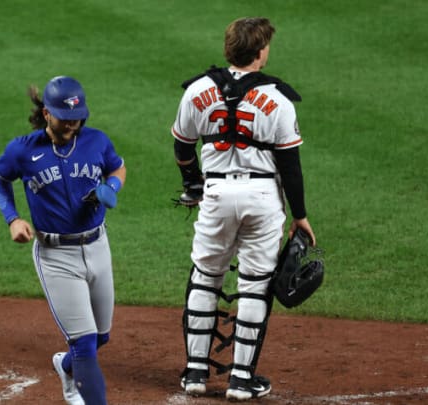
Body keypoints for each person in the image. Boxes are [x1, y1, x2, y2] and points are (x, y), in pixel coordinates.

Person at [170, 17, 316, 401]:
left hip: (216, 195)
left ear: (228, 48)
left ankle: (196, 374)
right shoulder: (278, 99)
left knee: (205, 276)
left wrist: (193, 184)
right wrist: (299, 214)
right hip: (262, 199)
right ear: (261, 52)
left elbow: (183, 147)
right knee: (255, 284)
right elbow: (290, 165)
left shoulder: (197, 90)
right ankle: (240, 379)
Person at [0, 76, 126, 405]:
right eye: (64, 119)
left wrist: (112, 188)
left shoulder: (96, 141)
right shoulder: (22, 150)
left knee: (102, 336)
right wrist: (13, 218)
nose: (71, 125)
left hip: (97, 246)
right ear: (46, 114)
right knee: (83, 344)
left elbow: (117, 168)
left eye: (77, 118)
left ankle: (64, 367)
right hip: (56, 256)